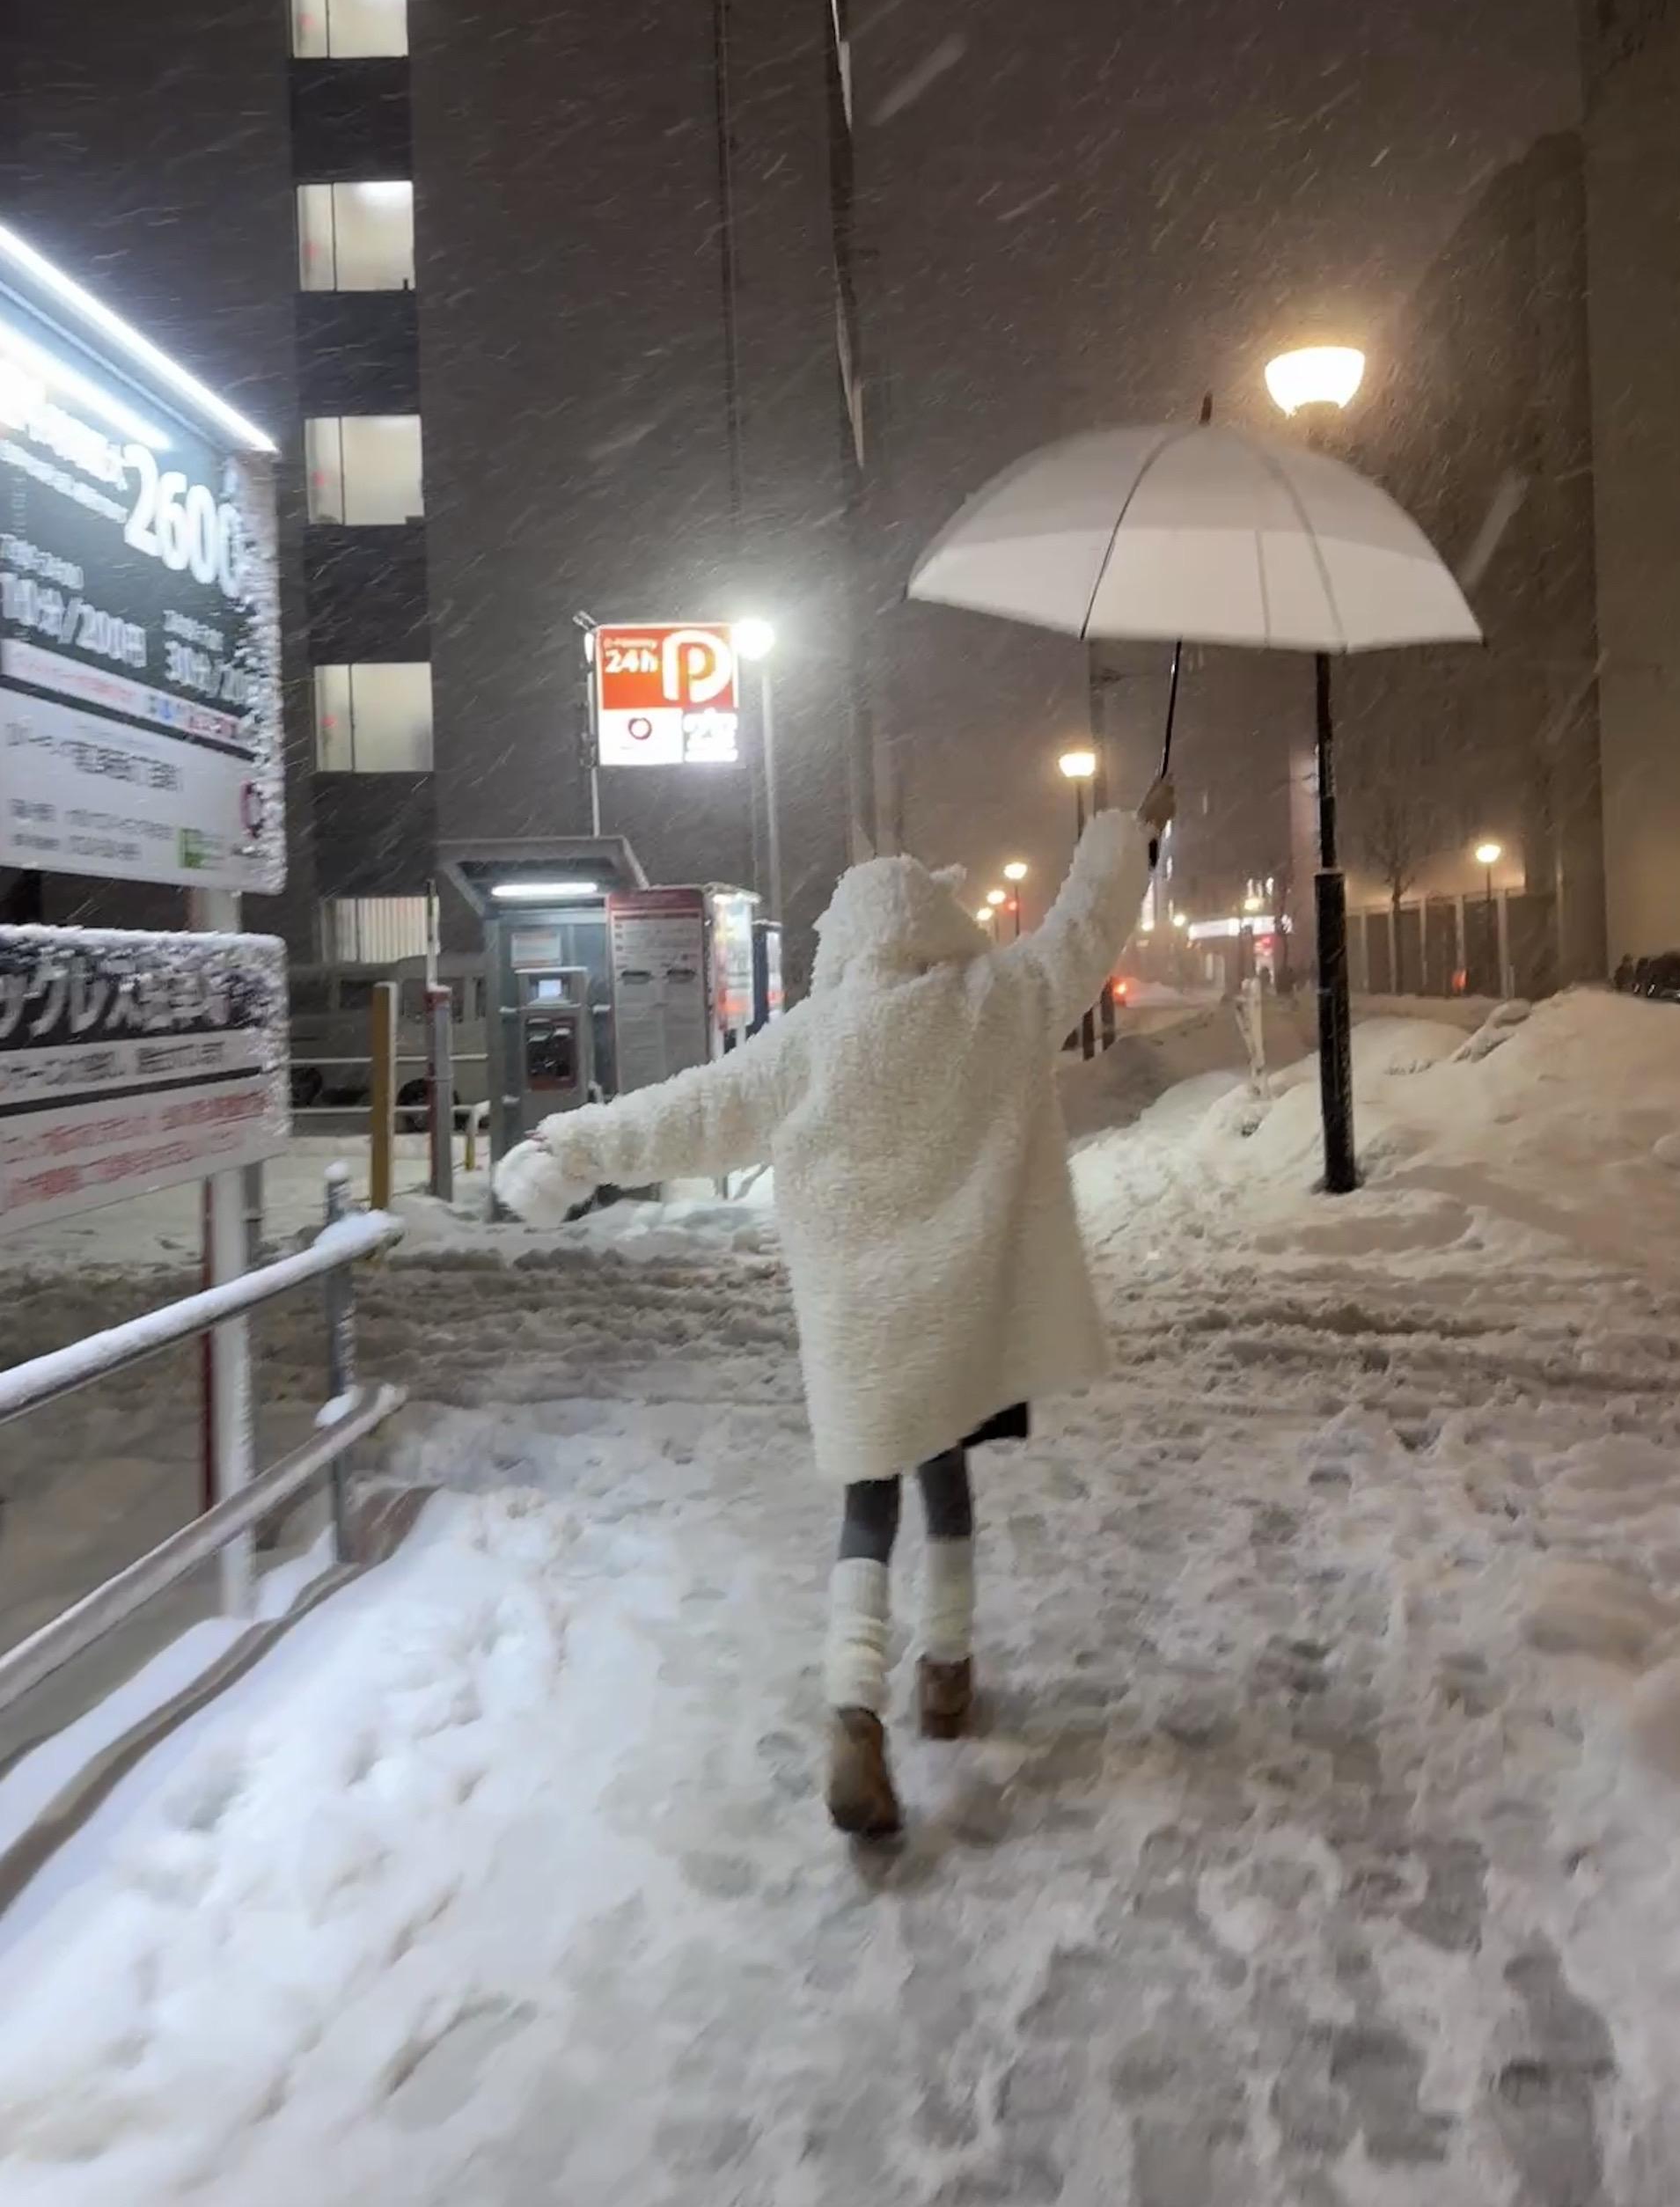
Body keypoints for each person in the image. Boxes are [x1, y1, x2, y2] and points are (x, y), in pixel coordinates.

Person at [495, 774, 1172, 1837]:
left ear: (843, 939)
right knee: (947, 1482)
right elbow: (1083, 933)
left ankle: (854, 1706)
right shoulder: (998, 1000)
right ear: (939, 924)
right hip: (964, 1314)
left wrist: (570, 1148)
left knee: (870, 1506)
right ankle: (946, 1672)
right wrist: (1128, 836)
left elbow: (690, 1114)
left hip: (865, 1328)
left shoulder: (810, 1039)